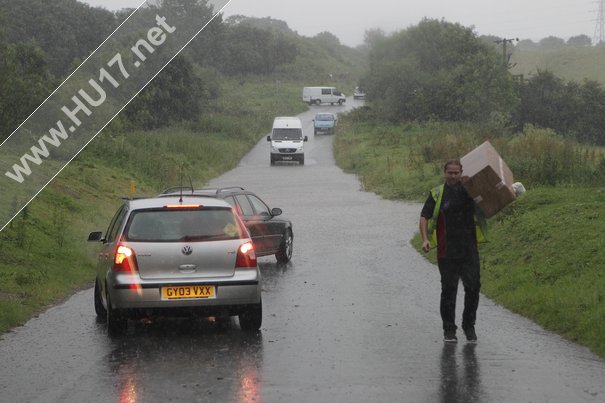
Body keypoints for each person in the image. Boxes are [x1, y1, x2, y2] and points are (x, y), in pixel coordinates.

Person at [419, 159, 486, 343]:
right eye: (450, 173)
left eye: (457, 173)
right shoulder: (437, 193)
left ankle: (469, 326)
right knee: (449, 291)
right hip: (446, 251)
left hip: (469, 250)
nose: (453, 176)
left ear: (461, 172)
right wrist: (425, 239)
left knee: (473, 288)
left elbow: (488, 203)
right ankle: (449, 330)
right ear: (445, 173)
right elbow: (424, 216)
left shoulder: (470, 191)